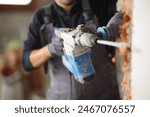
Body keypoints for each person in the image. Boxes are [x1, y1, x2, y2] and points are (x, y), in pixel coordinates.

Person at [22, 0, 121, 100]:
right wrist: (50, 49)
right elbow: (27, 62)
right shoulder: (40, 16)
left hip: (105, 97)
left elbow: (125, 10)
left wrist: (112, 27)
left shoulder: (99, 4)